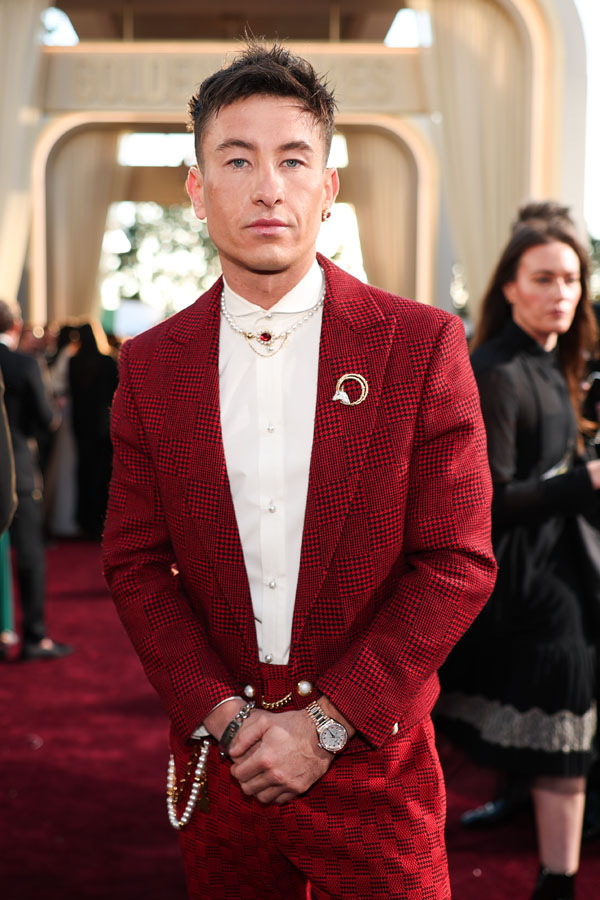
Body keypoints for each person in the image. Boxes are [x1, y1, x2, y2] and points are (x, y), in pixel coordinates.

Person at [102, 42, 496, 900]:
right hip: (226, 764)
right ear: (197, 191)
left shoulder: (420, 347)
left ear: (329, 187)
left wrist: (324, 725)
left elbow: (457, 562)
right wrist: (228, 716)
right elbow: (134, 564)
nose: (267, 185)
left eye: (293, 159)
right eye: (236, 160)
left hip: (375, 762)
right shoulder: (150, 367)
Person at [436, 204, 600, 900]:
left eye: (571, 279)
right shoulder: (498, 372)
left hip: (557, 556)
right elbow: (490, 501)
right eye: (544, 279)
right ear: (509, 286)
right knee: (565, 690)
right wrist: (581, 480)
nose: (560, 293)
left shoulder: (548, 357)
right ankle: (557, 882)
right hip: (519, 574)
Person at [0, 299, 72, 661]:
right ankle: (34, 637)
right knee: (29, 555)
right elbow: (46, 420)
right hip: (18, 471)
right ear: (15, 326)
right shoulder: (23, 364)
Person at [68, 321, 118, 539]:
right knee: (102, 474)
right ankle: (99, 521)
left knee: (83, 472)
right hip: (102, 427)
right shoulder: (107, 362)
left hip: (80, 425)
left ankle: (84, 520)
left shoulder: (73, 362)